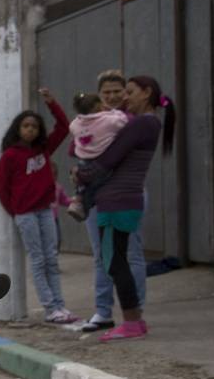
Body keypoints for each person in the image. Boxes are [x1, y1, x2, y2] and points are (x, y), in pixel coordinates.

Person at [76, 75, 175, 342]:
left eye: (129, 92)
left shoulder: (142, 124)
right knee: (117, 259)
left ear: (146, 93)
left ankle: (131, 321)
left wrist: (82, 174)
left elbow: (108, 160)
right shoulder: (148, 123)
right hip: (122, 200)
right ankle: (135, 320)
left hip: (117, 201)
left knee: (114, 260)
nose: (125, 98)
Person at [0, 89, 79, 325]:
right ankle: (51, 308)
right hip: (25, 214)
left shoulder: (43, 150)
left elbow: (64, 127)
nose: (30, 129)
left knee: (51, 259)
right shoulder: (10, 156)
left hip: (45, 211)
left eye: (34, 126)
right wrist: (15, 210)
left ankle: (60, 306)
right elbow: (2, 187)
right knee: (38, 260)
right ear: (18, 129)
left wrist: (52, 103)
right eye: (25, 126)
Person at [77, 70, 146, 332]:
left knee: (133, 253)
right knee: (101, 255)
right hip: (96, 193)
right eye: (107, 92)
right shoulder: (90, 119)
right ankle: (103, 311)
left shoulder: (132, 120)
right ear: (99, 95)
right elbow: (75, 147)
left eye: (118, 91)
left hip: (128, 192)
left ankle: (135, 312)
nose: (113, 96)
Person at [66, 91, 129, 222]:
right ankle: (84, 206)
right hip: (101, 163)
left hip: (83, 162)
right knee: (96, 186)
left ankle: (77, 200)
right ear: (100, 106)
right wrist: (112, 110)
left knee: (82, 182)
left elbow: (73, 125)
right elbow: (124, 120)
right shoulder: (108, 121)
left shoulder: (75, 125)